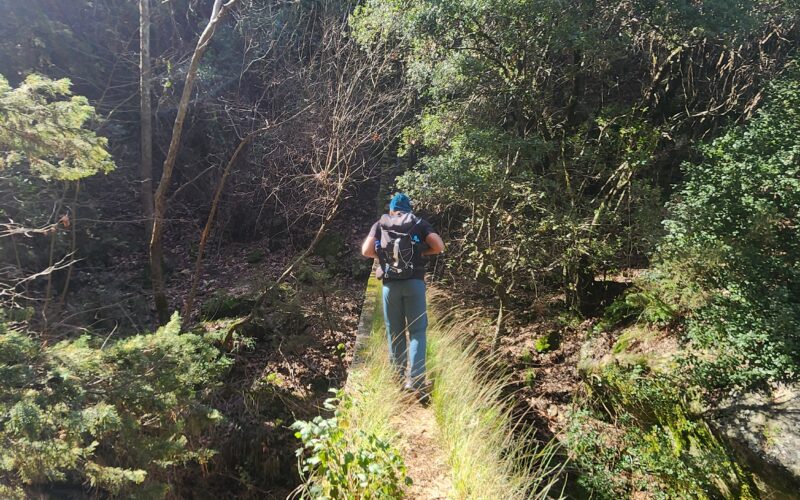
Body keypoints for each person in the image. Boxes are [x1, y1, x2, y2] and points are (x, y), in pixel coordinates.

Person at [361, 193, 445, 400]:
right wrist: (422, 253)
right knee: (417, 331)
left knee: (395, 331)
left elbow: (365, 251)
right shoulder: (418, 223)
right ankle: (415, 381)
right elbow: (439, 246)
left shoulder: (380, 224)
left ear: (391, 209)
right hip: (414, 283)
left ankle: (397, 377)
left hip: (390, 285)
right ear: (409, 208)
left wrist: (382, 257)